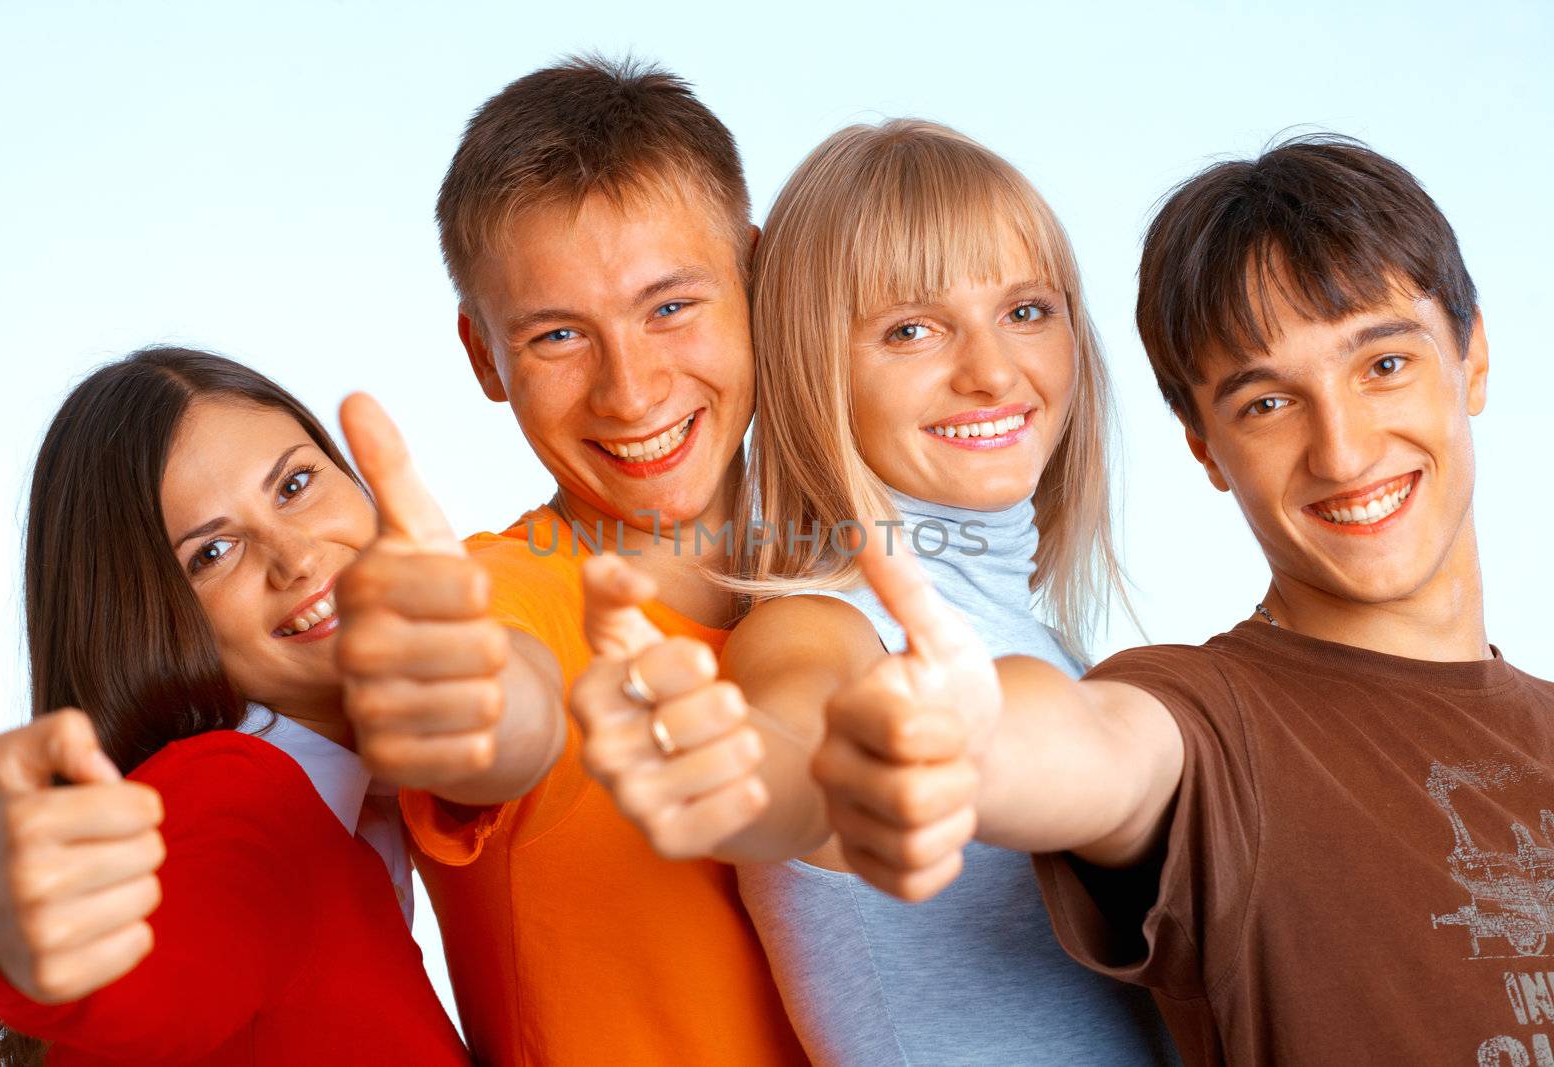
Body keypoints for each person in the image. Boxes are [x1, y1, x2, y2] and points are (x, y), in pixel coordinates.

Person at [811, 136, 1554, 1065]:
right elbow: (1094, 749)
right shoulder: (1207, 720)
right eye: (1266, 404)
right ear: (1204, 445)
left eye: (1384, 365)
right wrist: (958, 743)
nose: (1345, 450)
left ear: (1473, 355)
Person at [571, 120, 1174, 1064]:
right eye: (911, 329)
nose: (991, 371)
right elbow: (795, 734)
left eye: (1026, 310)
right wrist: (772, 770)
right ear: (817, 368)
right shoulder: (820, 620)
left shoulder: (1045, 638)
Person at [330, 57, 806, 1064]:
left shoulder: (852, 591)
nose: (628, 391)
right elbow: (502, 703)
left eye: (669, 305)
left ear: (755, 277)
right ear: (480, 358)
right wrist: (466, 698)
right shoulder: (499, 596)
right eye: (557, 335)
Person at [0, 348, 469, 1065]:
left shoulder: (368, 804)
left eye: (294, 483)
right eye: (214, 550)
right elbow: (157, 979)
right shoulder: (236, 791)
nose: (296, 557)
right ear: (145, 621)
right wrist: (29, 943)